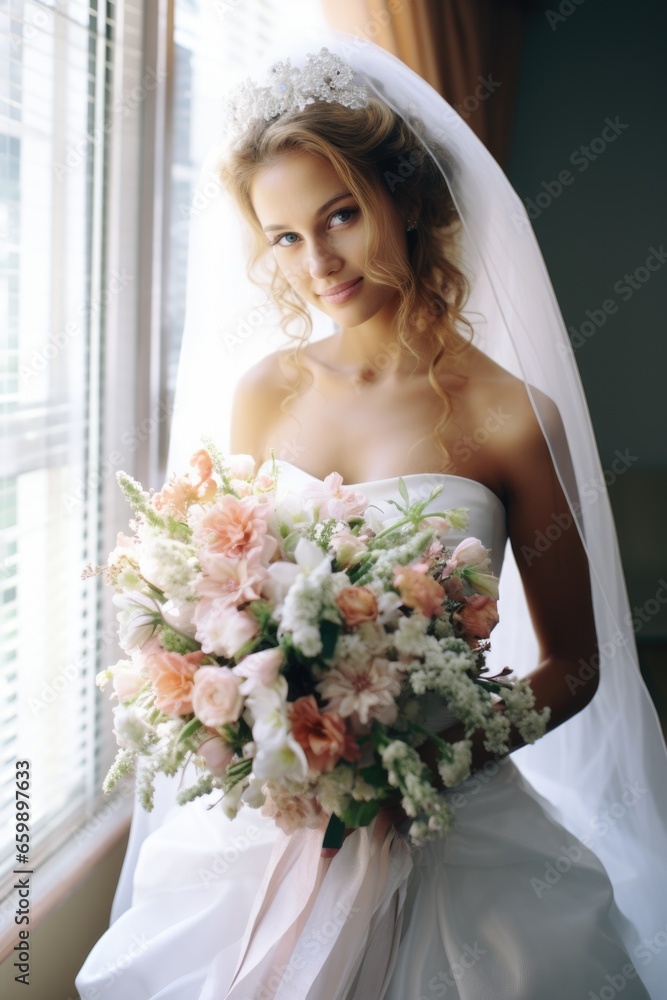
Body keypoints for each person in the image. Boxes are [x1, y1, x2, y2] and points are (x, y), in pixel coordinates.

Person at [76, 30, 667, 1000]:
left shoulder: (509, 413)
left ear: (405, 198)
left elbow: (579, 662)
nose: (317, 260)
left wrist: (431, 758)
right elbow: (227, 606)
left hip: (451, 820)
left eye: (340, 214)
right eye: (284, 235)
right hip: (281, 822)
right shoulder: (263, 393)